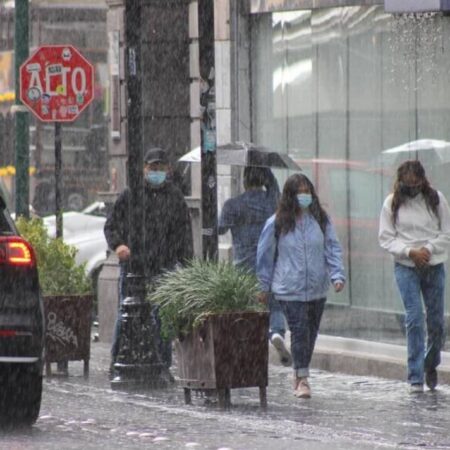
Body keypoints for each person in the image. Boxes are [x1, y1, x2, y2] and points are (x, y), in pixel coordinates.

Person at [104, 147, 193, 376]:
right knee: (126, 315)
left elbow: (183, 234)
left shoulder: (174, 197)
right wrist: (119, 245)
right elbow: (112, 225)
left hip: (163, 266)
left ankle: (162, 365)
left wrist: (186, 266)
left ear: (168, 169)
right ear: (144, 168)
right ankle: (118, 360)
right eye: (152, 167)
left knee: (162, 317)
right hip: (134, 267)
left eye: (160, 168)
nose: (156, 171)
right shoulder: (130, 195)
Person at [256, 173, 345, 398]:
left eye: (307, 191)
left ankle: (299, 370)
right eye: (300, 192)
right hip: (289, 288)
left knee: (311, 333)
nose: (304, 196)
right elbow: (265, 255)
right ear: (290, 195)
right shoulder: (277, 222)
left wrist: (337, 275)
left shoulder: (321, 220)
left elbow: (332, 247)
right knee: (299, 330)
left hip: (316, 287)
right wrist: (263, 286)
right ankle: (302, 378)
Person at [379, 160, 450, 393]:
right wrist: (410, 252)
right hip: (406, 266)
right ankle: (415, 376)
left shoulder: (436, 200)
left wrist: (428, 249)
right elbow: (386, 238)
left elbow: (446, 233)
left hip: (433, 264)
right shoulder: (392, 203)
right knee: (414, 318)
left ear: (422, 180)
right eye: (407, 183)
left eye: (415, 183)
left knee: (437, 322)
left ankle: (430, 363)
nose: (412, 187)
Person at [218, 166, 291, 366]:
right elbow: (276, 191)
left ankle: (249, 348)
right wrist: (268, 175)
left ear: (244, 181)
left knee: (248, 309)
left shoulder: (234, 205)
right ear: (263, 180)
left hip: (244, 265)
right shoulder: (272, 203)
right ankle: (276, 333)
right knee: (274, 304)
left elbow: (219, 228)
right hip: (271, 262)